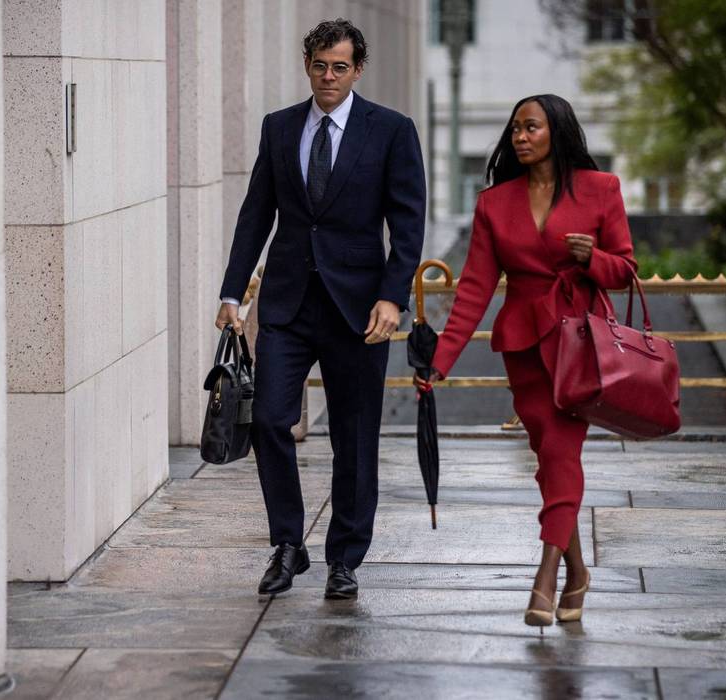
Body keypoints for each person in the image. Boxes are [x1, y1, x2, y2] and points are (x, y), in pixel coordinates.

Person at [215, 18, 426, 600]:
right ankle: (288, 543)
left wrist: (392, 296)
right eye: (319, 66)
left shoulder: (391, 130)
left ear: (358, 70)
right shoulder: (280, 127)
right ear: (306, 66)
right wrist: (232, 294)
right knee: (268, 420)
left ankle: (345, 559)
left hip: (359, 311)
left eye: (339, 67)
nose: (328, 76)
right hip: (287, 305)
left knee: (354, 438)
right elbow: (256, 214)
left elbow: (408, 225)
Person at [418, 94, 636, 625]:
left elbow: (626, 270)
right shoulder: (494, 203)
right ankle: (578, 573)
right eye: (515, 128)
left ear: (557, 131)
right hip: (524, 349)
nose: (520, 136)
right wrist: (441, 360)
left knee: (562, 455)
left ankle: (545, 578)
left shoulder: (601, 188)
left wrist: (593, 258)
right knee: (551, 459)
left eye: (531, 127)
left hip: (580, 347)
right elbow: (474, 289)